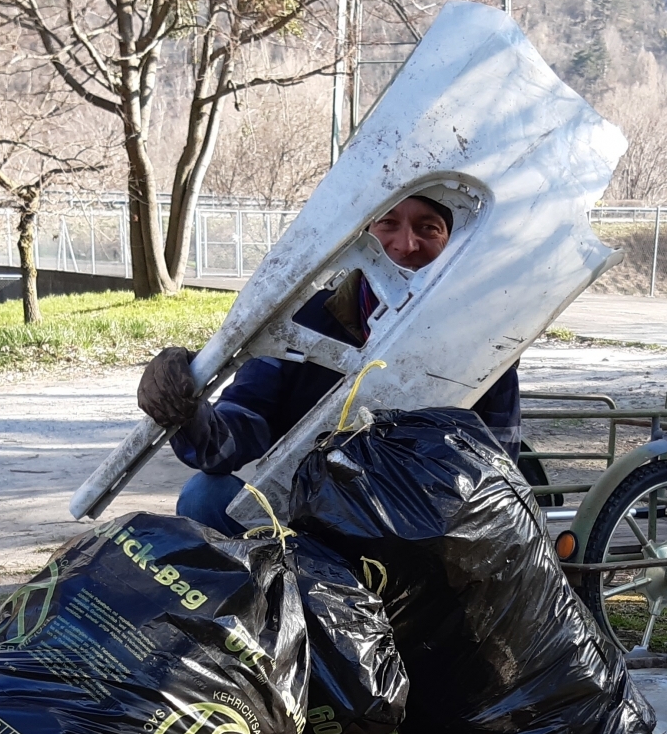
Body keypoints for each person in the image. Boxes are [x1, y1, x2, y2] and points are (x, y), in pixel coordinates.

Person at [137, 193, 521, 533]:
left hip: (412, 534)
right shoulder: (300, 321)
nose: (406, 244)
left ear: (450, 242)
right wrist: (187, 409)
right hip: (301, 524)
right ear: (362, 235)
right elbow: (232, 439)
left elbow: (497, 468)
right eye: (388, 222)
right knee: (205, 496)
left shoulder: (482, 344)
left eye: (429, 227)